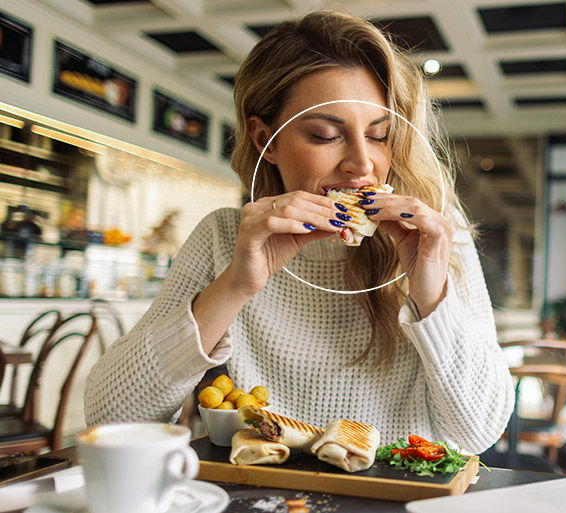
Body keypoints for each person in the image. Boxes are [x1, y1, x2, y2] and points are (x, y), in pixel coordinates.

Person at [84, 10, 514, 454]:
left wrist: (431, 296)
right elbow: (110, 420)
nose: (362, 164)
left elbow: (478, 433)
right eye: (327, 135)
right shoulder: (222, 239)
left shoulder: (438, 241)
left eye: (380, 135)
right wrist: (236, 285)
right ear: (264, 138)